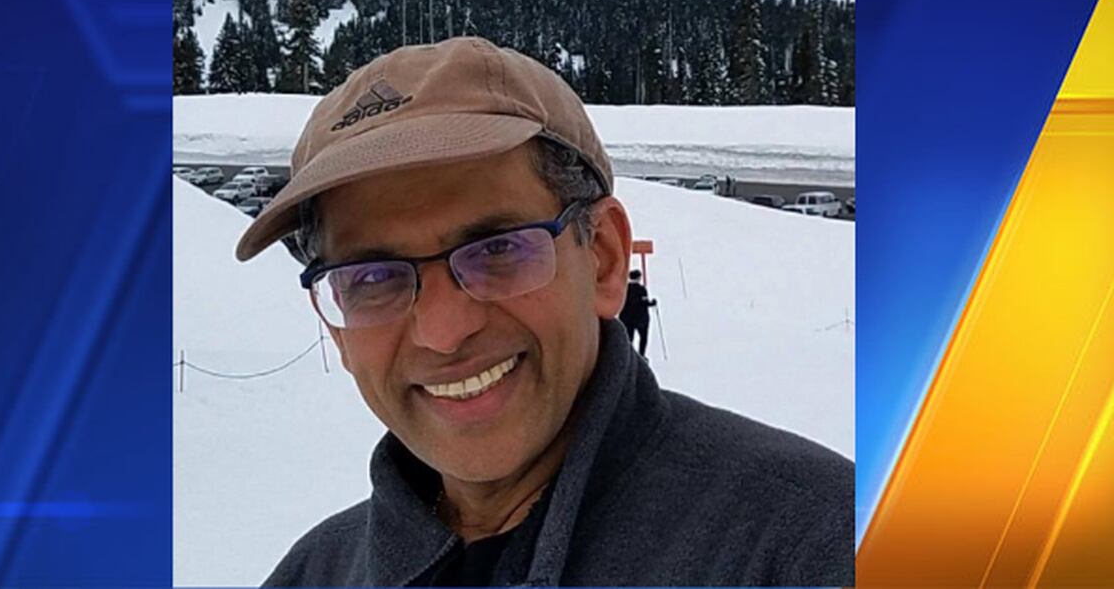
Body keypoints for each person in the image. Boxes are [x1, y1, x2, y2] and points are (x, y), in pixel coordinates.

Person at [234, 37, 853, 586]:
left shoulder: (825, 548)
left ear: (604, 259)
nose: (444, 332)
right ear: (335, 326)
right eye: (372, 278)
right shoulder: (315, 572)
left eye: (497, 249)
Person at [618, 269, 656, 357]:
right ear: (639, 278)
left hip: (626, 318)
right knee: (643, 337)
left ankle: (628, 355)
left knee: (628, 338)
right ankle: (641, 355)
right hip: (640, 319)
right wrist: (652, 303)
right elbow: (644, 302)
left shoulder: (625, 289)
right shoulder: (642, 290)